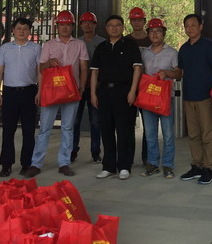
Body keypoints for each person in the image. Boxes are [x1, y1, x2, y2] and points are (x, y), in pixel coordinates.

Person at [24, 11, 88, 178]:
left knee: (68, 128)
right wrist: (48, 63)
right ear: (57, 26)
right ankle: (36, 163)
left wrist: (81, 87)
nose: (65, 27)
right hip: (51, 91)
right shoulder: (49, 45)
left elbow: (83, 67)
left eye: (68, 24)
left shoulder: (79, 44)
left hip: (72, 91)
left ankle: (64, 163)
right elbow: (41, 68)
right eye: (61, 24)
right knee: (45, 128)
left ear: (72, 26)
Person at [91, 15, 143, 180]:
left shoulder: (130, 45)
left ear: (122, 27)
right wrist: (93, 93)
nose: (114, 28)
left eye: (117, 25)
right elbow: (95, 72)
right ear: (106, 28)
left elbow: (137, 69)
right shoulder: (101, 47)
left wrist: (133, 91)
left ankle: (124, 166)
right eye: (111, 25)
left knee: (124, 130)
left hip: (124, 91)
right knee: (106, 129)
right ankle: (108, 166)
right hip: (104, 92)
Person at [0, 18, 41, 177]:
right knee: (8, 130)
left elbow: (40, 71)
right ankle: (6, 164)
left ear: (29, 31)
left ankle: (26, 163)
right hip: (10, 92)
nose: (22, 31)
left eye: (25, 28)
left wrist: (40, 91)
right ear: (13, 30)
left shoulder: (36, 48)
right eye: (18, 28)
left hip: (29, 92)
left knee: (29, 130)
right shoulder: (5, 48)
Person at [178, 14, 212, 185]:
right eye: (187, 26)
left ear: (201, 26)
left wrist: (210, 85)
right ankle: (197, 165)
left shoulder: (209, 45)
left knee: (207, 134)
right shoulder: (184, 48)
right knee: (193, 134)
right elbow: (180, 70)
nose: (190, 28)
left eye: (193, 25)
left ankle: (209, 168)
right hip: (188, 97)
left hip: (205, 97)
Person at [140, 18, 181, 178]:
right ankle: (152, 163)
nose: (155, 34)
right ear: (148, 34)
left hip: (165, 98)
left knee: (168, 133)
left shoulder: (172, 52)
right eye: (151, 31)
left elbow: (179, 73)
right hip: (148, 98)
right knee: (150, 134)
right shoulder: (144, 53)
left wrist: (167, 73)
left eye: (158, 31)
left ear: (163, 33)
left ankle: (168, 165)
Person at [71, 11, 106, 164]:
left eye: (90, 22)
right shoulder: (75, 42)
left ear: (95, 25)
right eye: (84, 22)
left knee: (95, 121)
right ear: (80, 25)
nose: (87, 25)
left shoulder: (102, 43)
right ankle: (72, 151)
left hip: (95, 87)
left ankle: (95, 152)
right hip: (77, 87)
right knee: (75, 121)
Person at [126, 6, 151, 166]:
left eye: (139, 19)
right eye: (133, 20)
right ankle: (127, 158)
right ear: (130, 22)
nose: (136, 22)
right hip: (129, 88)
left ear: (144, 21)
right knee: (128, 125)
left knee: (148, 125)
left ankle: (147, 157)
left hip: (147, 88)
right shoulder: (125, 40)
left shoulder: (151, 39)